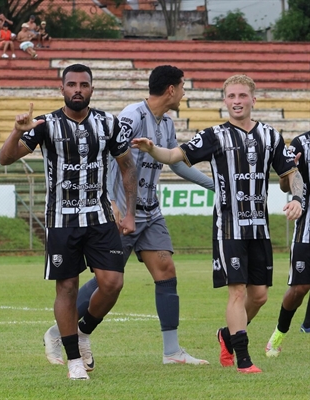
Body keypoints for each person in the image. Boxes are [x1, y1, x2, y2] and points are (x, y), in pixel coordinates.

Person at [43, 65, 215, 368]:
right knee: (107, 280)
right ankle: (60, 332)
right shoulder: (132, 116)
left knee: (166, 271)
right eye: (183, 87)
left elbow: (177, 163)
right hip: (121, 213)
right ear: (172, 89)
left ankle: (171, 351)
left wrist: (216, 185)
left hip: (150, 212)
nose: (185, 94)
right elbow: (111, 155)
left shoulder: (167, 123)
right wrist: (111, 201)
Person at [131, 74, 304, 374]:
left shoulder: (271, 136)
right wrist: (152, 149)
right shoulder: (214, 135)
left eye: (242, 96)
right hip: (229, 226)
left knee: (259, 296)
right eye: (231, 96)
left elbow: (290, 175)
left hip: (259, 226)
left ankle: (227, 335)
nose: (237, 101)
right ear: (224, 101)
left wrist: (298, 198)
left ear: (253, 99)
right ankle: (244, 359)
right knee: (237, 292)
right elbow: (175, 155)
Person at [0, 63, 138, 380]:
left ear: (92, 88)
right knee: (68, 286)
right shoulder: (46, 124)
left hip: (100, 216)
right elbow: (5, 158)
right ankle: (74, 360)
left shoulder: (108, 123)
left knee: (113, 283)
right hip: (61, 219)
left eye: (83, 84)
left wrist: (130, 211)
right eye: (71, 84)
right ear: (61, 89)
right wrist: (18, 130)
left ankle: (84, 330)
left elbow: (128, 166)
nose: (78, 89)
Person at [265, 130, 310, 356]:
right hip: (307, 229)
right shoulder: (301, 143)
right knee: (300, 288)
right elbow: (285, 186)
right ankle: (278, 334)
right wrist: (286, 172)